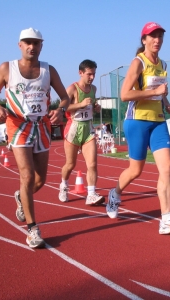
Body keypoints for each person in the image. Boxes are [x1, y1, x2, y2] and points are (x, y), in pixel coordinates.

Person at [0, 27, 70, 248]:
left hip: (42, 126)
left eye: (36, 43)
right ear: (20, 45)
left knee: (40, 179)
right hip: (17, 125)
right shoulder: (7, 68)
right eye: (27, 43)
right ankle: (32, 229)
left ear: (42, 45)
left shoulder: (48, 70)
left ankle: (21, 197)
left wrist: (60, 110)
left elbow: (65, 97)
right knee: (27, 176)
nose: (32, 47)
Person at [106, 22, 170, 235]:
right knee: (136, 170)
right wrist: (156, 92)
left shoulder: (163, 64)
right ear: (144, 40)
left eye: (160, 36)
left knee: (167, 168)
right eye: (152, 36)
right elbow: (125, 95)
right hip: (137, 121)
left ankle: (166, 219)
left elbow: (158, 91)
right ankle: (115, 194)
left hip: (158, 121)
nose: (157, 40)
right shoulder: (138, 63)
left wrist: (166, 102)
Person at [58, 59, 104, 205]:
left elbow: (92, 106)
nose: (92, 77)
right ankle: (64, 186)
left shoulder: (94, 89)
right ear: (81, 73)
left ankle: (91, 194)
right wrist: (80, 104)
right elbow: (63, 107)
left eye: (94, 74)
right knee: (70, 164)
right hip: (73, 129)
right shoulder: (72, 88)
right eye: (89, 74)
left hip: (88, 129)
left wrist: (96, 108)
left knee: (92, 164)